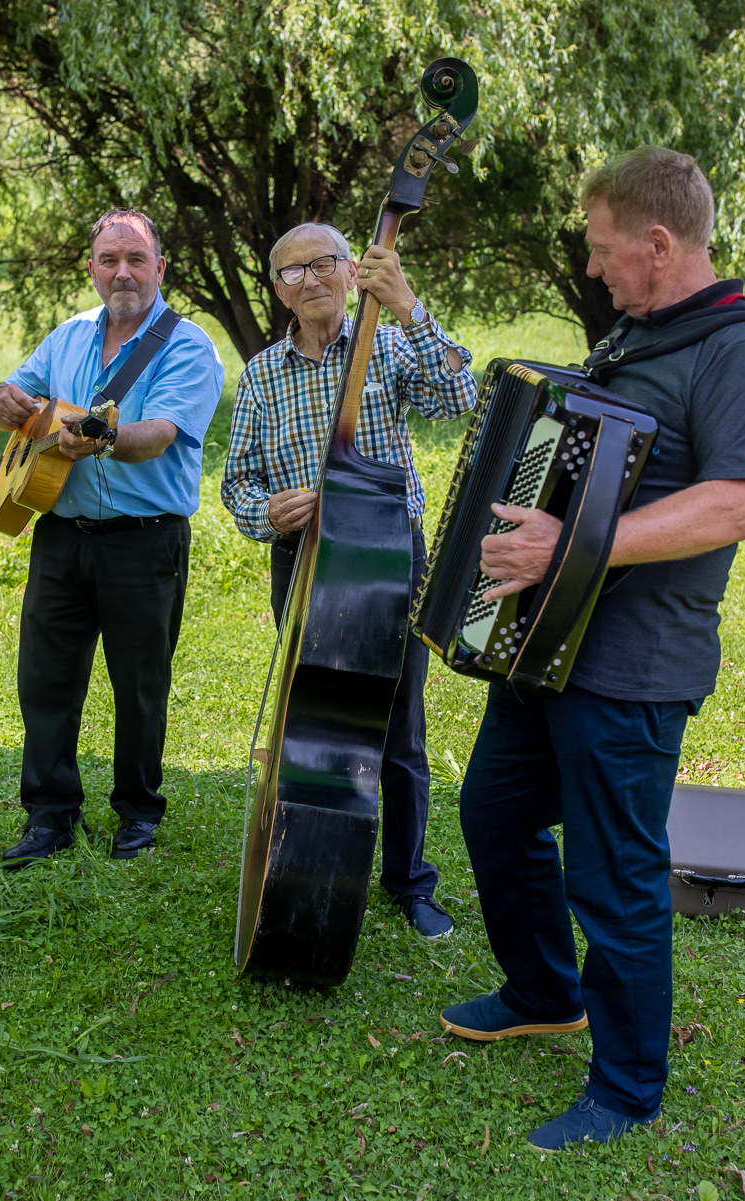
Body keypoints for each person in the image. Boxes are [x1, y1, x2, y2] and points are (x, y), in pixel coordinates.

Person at [437, 147, 745, 1148]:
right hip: (543, 648)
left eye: (603, 251)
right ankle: (545, 989)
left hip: (633, 667)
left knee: (615, 873)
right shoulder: (631, 339)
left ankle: (627, 1086)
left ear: (659, 241)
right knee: (494, 817)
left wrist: (572, 549)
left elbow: (731, 504)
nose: (593, 271)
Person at [220, 223, 476, 938]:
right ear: (277, 290)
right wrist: (265, 510)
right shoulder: (262, 374)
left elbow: (459, 395)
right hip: (301, 558)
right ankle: (317, 858)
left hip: (390, 554)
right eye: (293, 271)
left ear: (350, 269)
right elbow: (237, 481)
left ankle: (409, 880)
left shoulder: (387, 344)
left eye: (325, 263)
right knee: (314, 718)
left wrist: (408, 307)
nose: (312, 280)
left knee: (399, 723)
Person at [0, 208, 226, 869]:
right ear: (90, 267)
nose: (122, 271)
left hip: (144, 542)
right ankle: (49, 817)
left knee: (140, 684)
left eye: (136, 259)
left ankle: (138, 815)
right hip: (61, 535)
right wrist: (0, 400)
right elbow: (15, 394)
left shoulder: (187, 346)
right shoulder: (67, 336)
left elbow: (161, 435)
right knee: (46, 679)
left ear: (160, 268)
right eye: (109, 259)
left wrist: (109, 437)